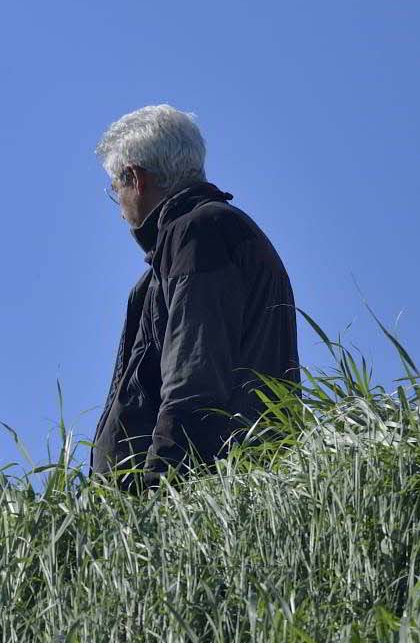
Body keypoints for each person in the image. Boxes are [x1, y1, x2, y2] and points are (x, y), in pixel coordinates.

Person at [91, 105, 299, 487]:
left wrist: (160, 491)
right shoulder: (198, 237)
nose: (118, 208)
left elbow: (193, 381)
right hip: (211, 487)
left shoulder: (198, 234)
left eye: (115, 189)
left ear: (136, 178)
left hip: (197, 493)